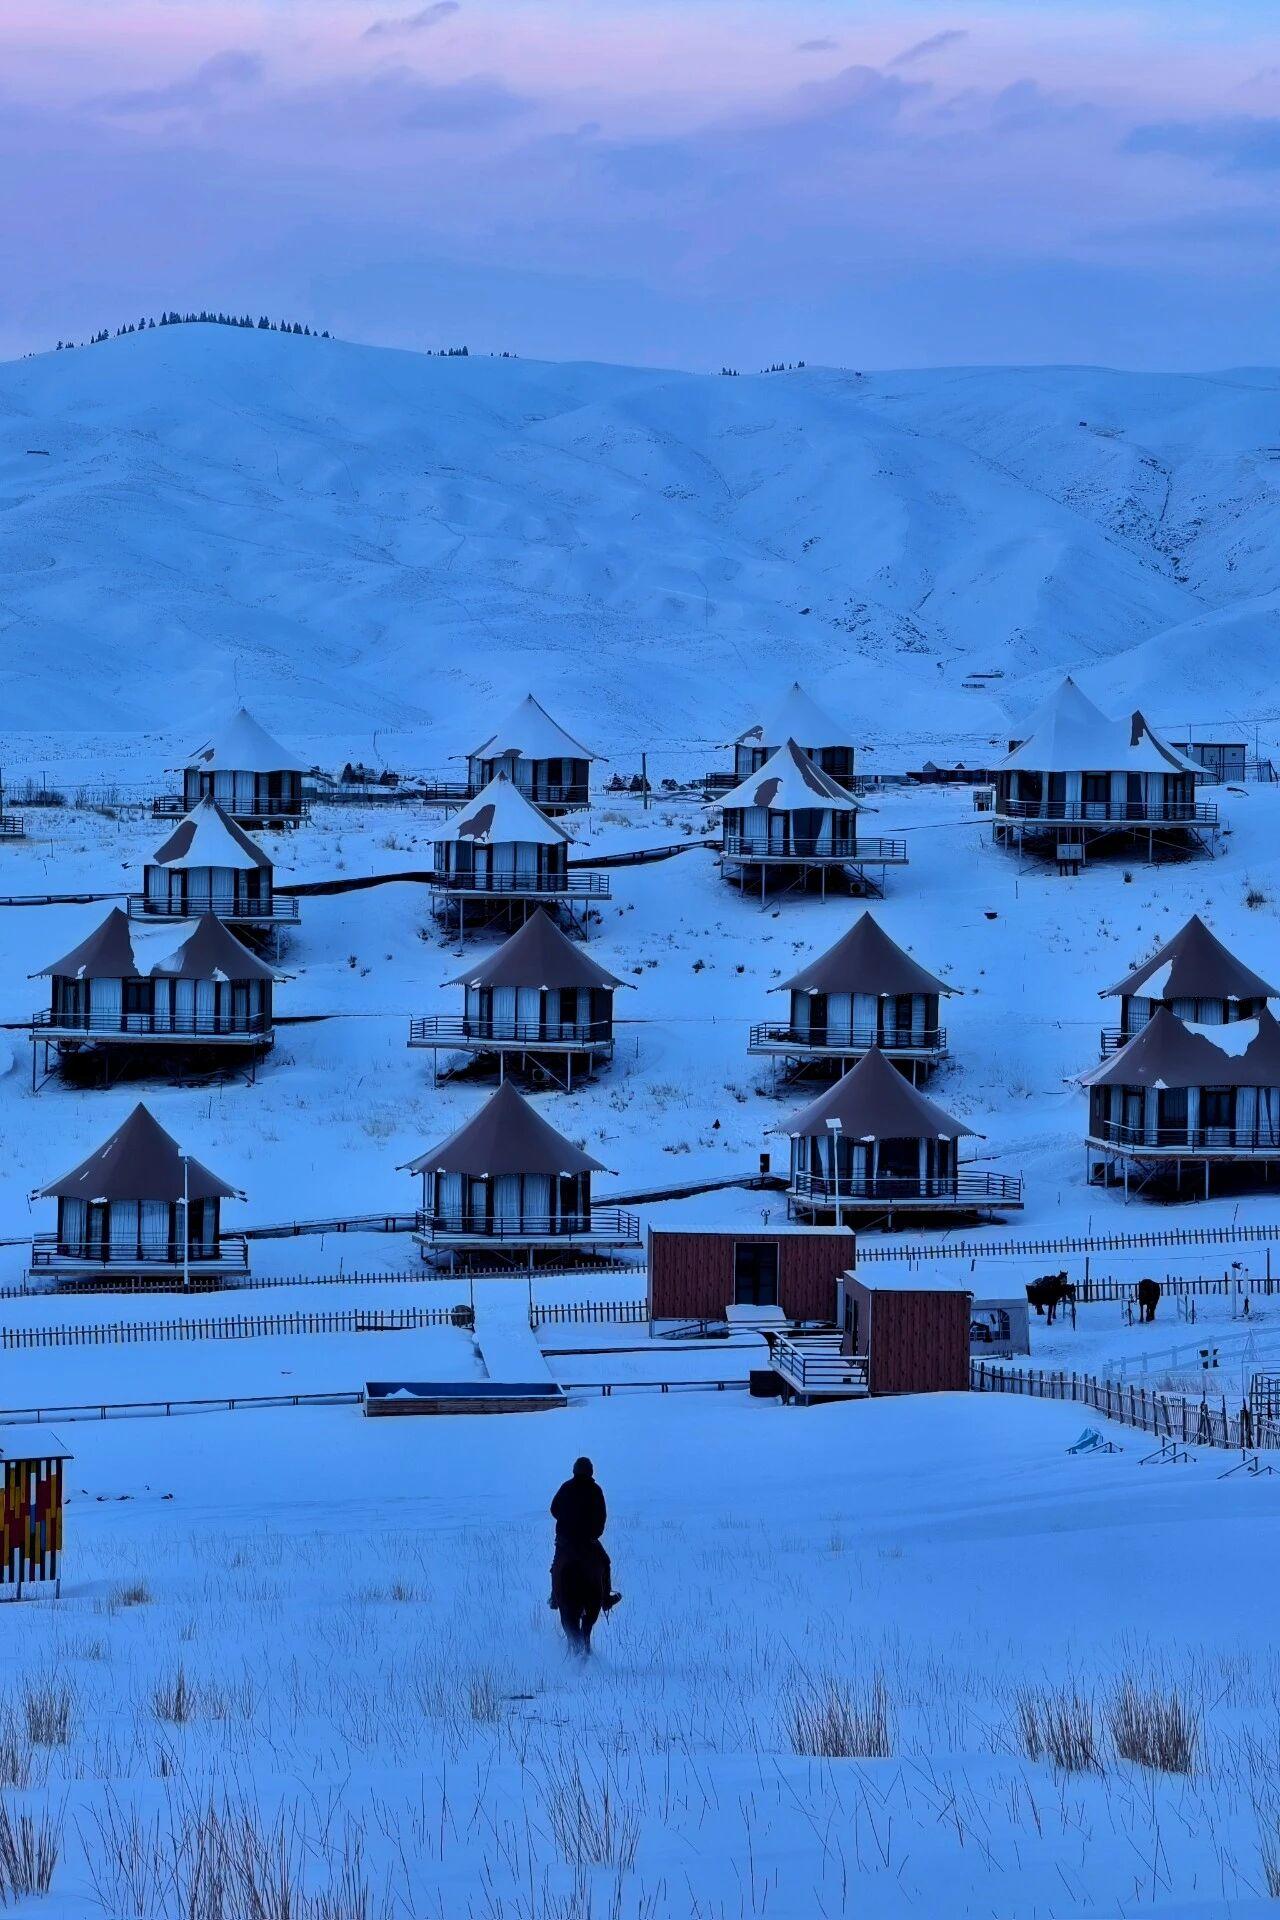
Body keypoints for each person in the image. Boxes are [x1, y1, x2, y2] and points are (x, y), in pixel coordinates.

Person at [549, 1456, 620, 1612]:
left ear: (575, 1470)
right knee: (605, 1563)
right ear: (590, 1471)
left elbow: (554, 1509)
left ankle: (555, 1597)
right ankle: (606, 1599)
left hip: (565, 1541)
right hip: (587, 1542)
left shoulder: (566, 1487)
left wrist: (564, 1521)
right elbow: (602, 1516)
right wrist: (594, 1534)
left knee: (556, 1567)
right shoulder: (596, 1490)